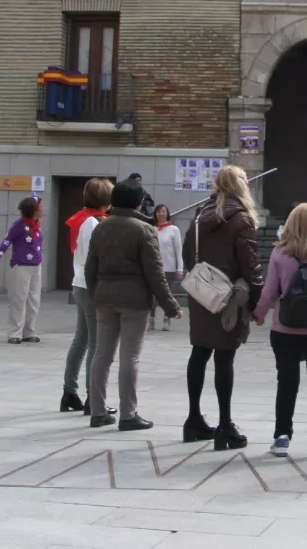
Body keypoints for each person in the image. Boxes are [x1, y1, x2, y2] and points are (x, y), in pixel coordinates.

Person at [87, 179, 183, 430]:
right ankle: (128, 414)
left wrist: (95, 293)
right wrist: (170, 305)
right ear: (140, 203)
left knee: (101, 355)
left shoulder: (101, 227)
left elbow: (91, 267)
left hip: (105, 298)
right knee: (129, 356)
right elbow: (155, 274)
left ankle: (97, 411)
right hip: (134, 300)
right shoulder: (144, 230)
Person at [183, 165, 265, 451]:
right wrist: (257, 302)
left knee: (200, 351)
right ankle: (225, 425)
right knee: (224, 359)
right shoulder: (242, 219)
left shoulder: (198, 216)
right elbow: (251, 265)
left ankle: (193, 419)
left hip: (201, 294)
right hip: (228, 296)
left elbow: (186, 255)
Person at [253, 202, 307, 459]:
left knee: (287, 382)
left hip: (285, 329)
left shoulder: (280, 254)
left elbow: (270, 292)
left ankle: (282, 437)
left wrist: (258, 314)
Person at [63, 179, 113, 414]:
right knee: (95, 343)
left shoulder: (82, 219)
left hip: (79, 284)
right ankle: (93, 398)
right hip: (91, 286)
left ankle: (69, 392)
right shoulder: (94, 222)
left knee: (81, 340)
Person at [0, 197, 45, 344]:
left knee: (33, 300)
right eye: (40, 206)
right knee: (19, 299)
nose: (43, 209)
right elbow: (7, 241)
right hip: (21, 265)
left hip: (36, 265)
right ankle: (14, 333)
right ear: (34, 210)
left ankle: (29, 331)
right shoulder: (19, 225)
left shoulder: (37, 225)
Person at [152, 204, 185, 332]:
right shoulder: (152, 228)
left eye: (164, 211)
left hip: (169, 268)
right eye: (159, 211)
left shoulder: (173, 229)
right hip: (154, 267)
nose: (161, 213)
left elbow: (178, 250)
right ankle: (151, 319)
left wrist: (180, 268)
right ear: (155, 214)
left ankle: (167, 319)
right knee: (153, 296)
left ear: (167, 213)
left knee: (167, 295)